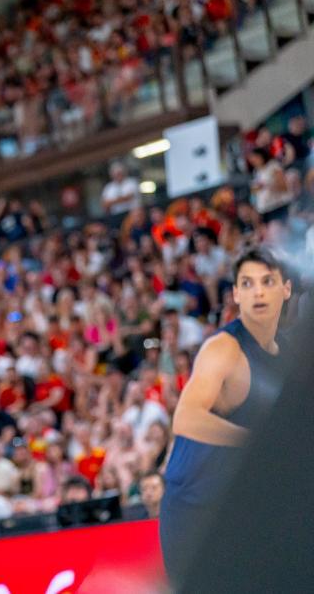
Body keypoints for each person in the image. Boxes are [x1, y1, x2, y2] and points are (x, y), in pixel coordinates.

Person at [160, 247, 291, 585]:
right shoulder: (224, 348)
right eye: (247, 283)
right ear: (235, 294)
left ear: (286, 288)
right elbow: (185, 418)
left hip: (243, 508)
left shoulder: (289, 353)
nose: (258, 291)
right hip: (196, 514)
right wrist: (254, 442)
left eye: (267, 281)